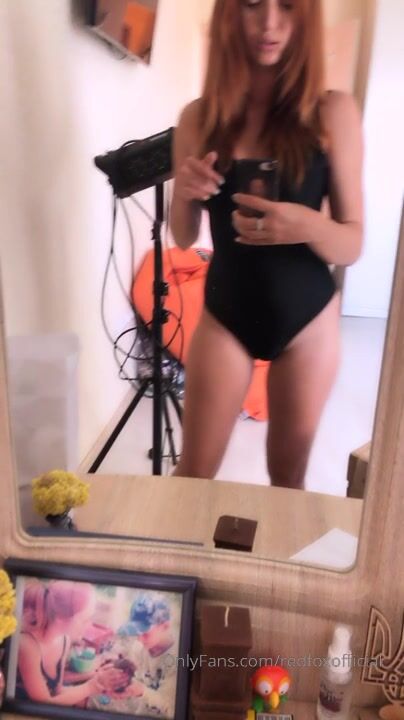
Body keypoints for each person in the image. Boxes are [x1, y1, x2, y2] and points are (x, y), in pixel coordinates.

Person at [170, 0, 363, 490]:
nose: (270, 22)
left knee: (288, 481)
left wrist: (308, 225)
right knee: (192, 475)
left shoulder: (332, 112)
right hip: (226, 314)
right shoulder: (198, 118)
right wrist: (184, 192)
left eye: (288, 6)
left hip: (308, 322)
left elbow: (352, 242)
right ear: (229, 13)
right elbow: (183, 236)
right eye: (253, 3)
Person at [17, 579, 127, 705]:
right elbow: (44, 705)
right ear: (61, 619)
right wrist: (90, 687)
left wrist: (97, 681)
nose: (90, 625)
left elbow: (56, 691)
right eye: (85, 619)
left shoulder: (64, 640)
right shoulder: (27, 646)